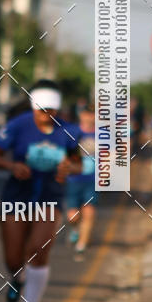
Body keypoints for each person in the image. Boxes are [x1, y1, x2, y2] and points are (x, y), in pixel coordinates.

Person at [0, 80, 81, 302]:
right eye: (41, 109)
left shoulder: (69, 130)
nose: (46, 114)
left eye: (51, 109)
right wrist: (11, 166)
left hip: (50, 198)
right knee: (14, 257)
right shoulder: (18, 125)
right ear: (33, 106)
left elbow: (80, 163)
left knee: (39, 250)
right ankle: (18, 278)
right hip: (16, 197)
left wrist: (69, 167)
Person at [65, 104, 97, 257]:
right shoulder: (73, 132)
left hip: (92, 180)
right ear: (81, 115)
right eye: (87, 114)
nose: (89, 117)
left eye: (93, 114)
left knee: (89, 212)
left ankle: (82, 245)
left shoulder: (103, 135)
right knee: (73, 216)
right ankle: (75, 228)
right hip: (74, 179)